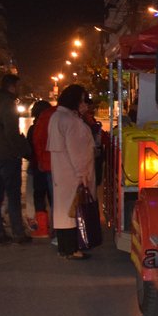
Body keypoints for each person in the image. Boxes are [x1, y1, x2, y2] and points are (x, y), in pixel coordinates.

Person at [47, 85, 96, 260]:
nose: (85, 104)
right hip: (73, 174)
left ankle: (65, 248)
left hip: (61, 171)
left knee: (63, 211)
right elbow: (77, 150)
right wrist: (83, 174)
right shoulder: (71, 121)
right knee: (74, 211)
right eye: (82, 100)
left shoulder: (57, 117)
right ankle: (72, 249)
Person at [0, 74, 32, 245]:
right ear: (12, 86)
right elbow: (12, 133)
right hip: (8, 156)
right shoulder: (7, 104)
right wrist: (25, 151)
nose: (19, 90)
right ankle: (18, 233)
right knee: (13, 196)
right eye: (18, 86)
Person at [27, 100, 55, 238]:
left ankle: (42, 228)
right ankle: (56, 228)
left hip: (37, 166)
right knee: (53, 197)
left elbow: (29, 149)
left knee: (39, 196)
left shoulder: (33, 128)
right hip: (51, 166)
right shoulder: (52, 126)